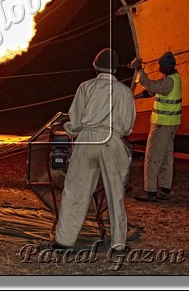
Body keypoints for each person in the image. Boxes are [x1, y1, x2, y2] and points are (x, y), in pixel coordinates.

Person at [52, 48, 136, 251]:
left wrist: (68, 128)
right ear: (116, 69)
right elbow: (127, 126)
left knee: (75, 191)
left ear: (96, 66)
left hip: (87, 139)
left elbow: (77, 120)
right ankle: (118, 244)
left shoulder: (86, 87)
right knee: (115, 194)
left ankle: (64, 240)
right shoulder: (124, 92)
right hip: (112, 140)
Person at [129, 52, 182, 202]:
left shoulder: (168, 82)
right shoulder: (174, 79)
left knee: (152, 157)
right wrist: (139, 96)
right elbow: (154, 90)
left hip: (162, 125)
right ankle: (165, 189)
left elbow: (150, 84)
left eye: (160, 65)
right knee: (166, 157)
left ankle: (150, 191)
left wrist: (139, 69)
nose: (159, 67)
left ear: (166, 66)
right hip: (171, 124)